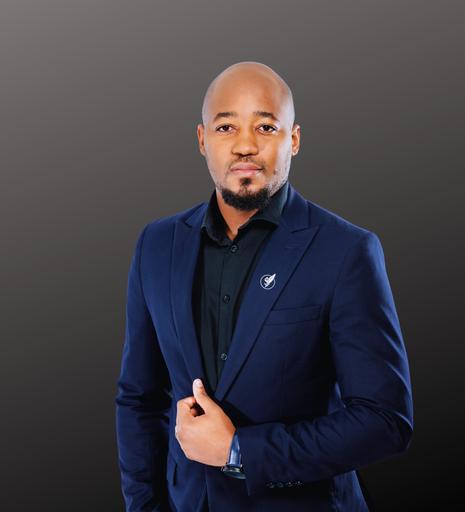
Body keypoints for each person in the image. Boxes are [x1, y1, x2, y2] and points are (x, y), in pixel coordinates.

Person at [115, 62, 413, 512]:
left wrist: (239, 452)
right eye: (226, 126)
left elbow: (385, 421)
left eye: (266, 127)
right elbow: (139, 399)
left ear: (293, 139)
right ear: (202, 140)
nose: (245, 145)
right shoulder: (156, 244)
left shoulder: (346, 251)